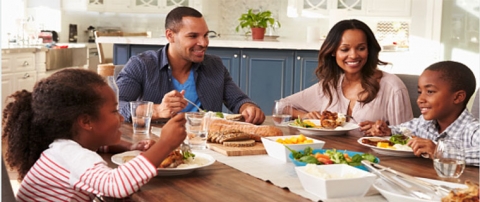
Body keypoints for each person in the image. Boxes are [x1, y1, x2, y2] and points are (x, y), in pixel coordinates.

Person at [2, 68, 187, 201]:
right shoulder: (72, 155)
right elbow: (117, 185)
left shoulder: (63, 146)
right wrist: (165, 144)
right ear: (86, 122)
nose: (122, 117)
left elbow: (97, 144)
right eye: (114, 111)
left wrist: (128, 146)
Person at [116, 6, 265, 124]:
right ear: (170, 35)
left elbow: (238, 100)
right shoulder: (141, 65)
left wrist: (248, 108)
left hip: (206, 145)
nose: (204, 43)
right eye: (193, 36)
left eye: (206, 35)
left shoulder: (215, 66)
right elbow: (116, 106)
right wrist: (156, 110)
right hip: (156, 146)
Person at [280, 19, 413, 133]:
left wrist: (384, 131)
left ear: (369, 50)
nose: (354, 55)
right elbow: (281, 106)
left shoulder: (392, 87)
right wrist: (304, 116)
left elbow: (408, 134)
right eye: (345, 49)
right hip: (332, 156)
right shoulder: (331, 85)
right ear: (333, 52)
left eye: (361, 48)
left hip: (377, 161)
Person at [361, 61, 479, 166]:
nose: (420, 99)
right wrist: (387, 130)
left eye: (430, 92)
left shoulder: (472, 129)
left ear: (458, 97)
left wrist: (439, 151)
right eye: (419, 92)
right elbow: (401, 130)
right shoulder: (424, 123)